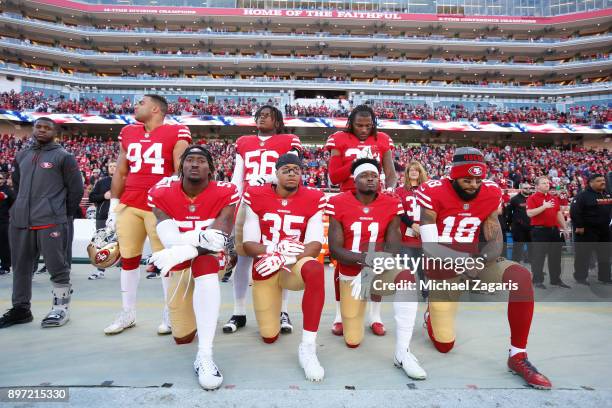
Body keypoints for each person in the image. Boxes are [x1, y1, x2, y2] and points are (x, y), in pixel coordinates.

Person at [417, 147, 552, 390]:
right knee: (445, 345)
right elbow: (430, 246)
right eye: (466, 179)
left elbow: (496, 239)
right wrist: (464, 262)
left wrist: (478, 261)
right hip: (441, 265)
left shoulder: (490, 192)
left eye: (478, 180)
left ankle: (518, 355)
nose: (473, 185)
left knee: (521, 277)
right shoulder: (432, 191)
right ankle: (431, 318)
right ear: (452, 176)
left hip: (473, 260)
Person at [326, 158, 426, 380]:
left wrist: (379, 260)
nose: (370, 178)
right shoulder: (338, 201)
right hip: (352, 269)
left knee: (406, 277)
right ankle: (348, 317)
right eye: (364, 175)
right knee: (353, 340)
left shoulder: (391, 202)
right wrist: (366, 258)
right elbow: (335, 250)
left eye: (374, 174)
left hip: (379, 266)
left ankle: (403, 352)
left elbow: (393, 245)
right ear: (354, 180)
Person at [148, 145, 237, 390]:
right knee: (182, 336)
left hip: (212, 258)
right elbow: (169, 240)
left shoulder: (226, 190)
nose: (195, 164)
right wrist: (199, 241)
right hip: (180, 260)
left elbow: (219, 239)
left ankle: (205, 355)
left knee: (205, 261)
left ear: (211, 168)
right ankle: (194, 313)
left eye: (201, 160)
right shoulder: (161, 192)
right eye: (190, 160)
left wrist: (187, 248)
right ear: (181, 166)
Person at [103, 94, 191, 336]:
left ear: (155, 109)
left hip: (159, 204)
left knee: (165, 261)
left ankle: (170, 311)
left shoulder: (177, 132)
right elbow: (121, 171)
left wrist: (173, 204)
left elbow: (179, 171)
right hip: (130, 202)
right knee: (128, 259)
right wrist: (114, 206)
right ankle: (127, 312)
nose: (135, 105)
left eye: (141, 102)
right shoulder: (129, 132)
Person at [242, 154, 327, 381]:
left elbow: (315, 245)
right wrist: (274, 250)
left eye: (297, 170)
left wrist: (282, 257)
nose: (292, 173)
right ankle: (275, 316)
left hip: (292, 266)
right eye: (286, 169)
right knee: (269, 336)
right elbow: (249, 245)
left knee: (316, 270)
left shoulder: (314, 197)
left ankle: (308, 347)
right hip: (265, 267)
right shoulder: (256, 195)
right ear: (276, 173)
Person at [223, 105, 302, 335]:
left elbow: (293, 169)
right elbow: (237, 178)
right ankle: (239, 311)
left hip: (275, 202)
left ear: (278, 121)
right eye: (259, 114)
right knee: (243, 256)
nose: (261, 117)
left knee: (280, 255)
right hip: (248, 202)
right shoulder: (244, 142)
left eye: (267, 115)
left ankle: (282, 310)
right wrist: (231, 204)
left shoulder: (289, 140)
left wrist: (268, 177)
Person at [0, 117, 84, 329]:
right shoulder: (22, 155)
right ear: (33, 128)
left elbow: (76, 190)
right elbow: (17, 186)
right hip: (20, 221)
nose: (42, 130)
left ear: (55, 132)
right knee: (20, 266)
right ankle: (21, 309)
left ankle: (60, 308)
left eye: (48, 128)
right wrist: (19, 207)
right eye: (39, 126)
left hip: (51, 221)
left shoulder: (64, 157)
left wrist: (62, 214)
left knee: (57, 266)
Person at [324, 104, 397, 337]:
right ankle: (339, 314)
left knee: (377, 252)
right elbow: (334, 176)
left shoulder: (383, 139)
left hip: (376, 200)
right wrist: (358, 163)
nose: (364, 130)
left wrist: (391, 190)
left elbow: (391, 172)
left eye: (368, 125)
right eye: (359, 125)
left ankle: (375, 315)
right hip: (348, 199)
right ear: (350, 124)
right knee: (344, 256)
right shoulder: (339, 139)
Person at [526, 176, 570, 289]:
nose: (547, 184)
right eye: (544, 183)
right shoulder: (532, 198)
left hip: (554, 231)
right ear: (537, 186)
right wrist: (544, 206)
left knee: (556, 257)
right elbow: (530, 213)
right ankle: (537, 281)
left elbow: (558, 213)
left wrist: (564, 228)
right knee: (538, 257)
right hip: (540, 231)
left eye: (547, 182)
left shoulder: (553, 198)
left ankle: (555, 280)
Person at [570, 174, 612, 285]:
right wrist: (579, 226)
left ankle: (605, 277)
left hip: (604, 230)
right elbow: (574, 212)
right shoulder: (582, 196)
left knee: (605, 255)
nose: (603, 182)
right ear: (591, 183)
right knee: (583, 255)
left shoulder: (607, 194)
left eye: (603, 180)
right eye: (599, 181)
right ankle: (580, 277)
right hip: (587, 231)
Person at [395, 161, 428, 298]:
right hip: (406, 236)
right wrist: (412, 225)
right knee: (406, 267)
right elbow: (399, 211)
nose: (414, 172)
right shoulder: (400, 191)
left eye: (417, 170)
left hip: (424, 235)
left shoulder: (428, 190)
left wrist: (422, 227)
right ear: (407, 173)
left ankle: (425, 292)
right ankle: (406, 294)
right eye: (411, 170)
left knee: (424, 268)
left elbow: (432, 210)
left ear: (421, 173)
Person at [87, 161, 116, 280]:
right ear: (107, 168)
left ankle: (126, 269)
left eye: (115, 166)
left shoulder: (126, 181)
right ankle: (100, 270)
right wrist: (104, 196)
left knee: (124, 242)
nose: (113, 168)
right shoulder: (101, 182)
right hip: (102, 217)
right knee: (101, 244)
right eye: (111, 166)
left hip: (120, 216)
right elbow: (92, 197)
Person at [506, 183, 533, 264]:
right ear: (521, 189)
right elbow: (508, 212)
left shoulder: (533, 198)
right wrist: (510, 223)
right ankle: (515, 263)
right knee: (518, 246)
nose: (528, 190)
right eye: (525, 188)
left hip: (531, 227)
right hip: (518, 228)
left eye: (529, 188)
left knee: (532, 246)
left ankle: (533, 263)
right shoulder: (514, 199)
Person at [0, 172, 15, 275]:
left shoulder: (8, 191)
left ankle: (6, 266)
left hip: (4, 222)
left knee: (4, 244)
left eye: (0, 178)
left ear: (4, 180)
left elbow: (14, 204)